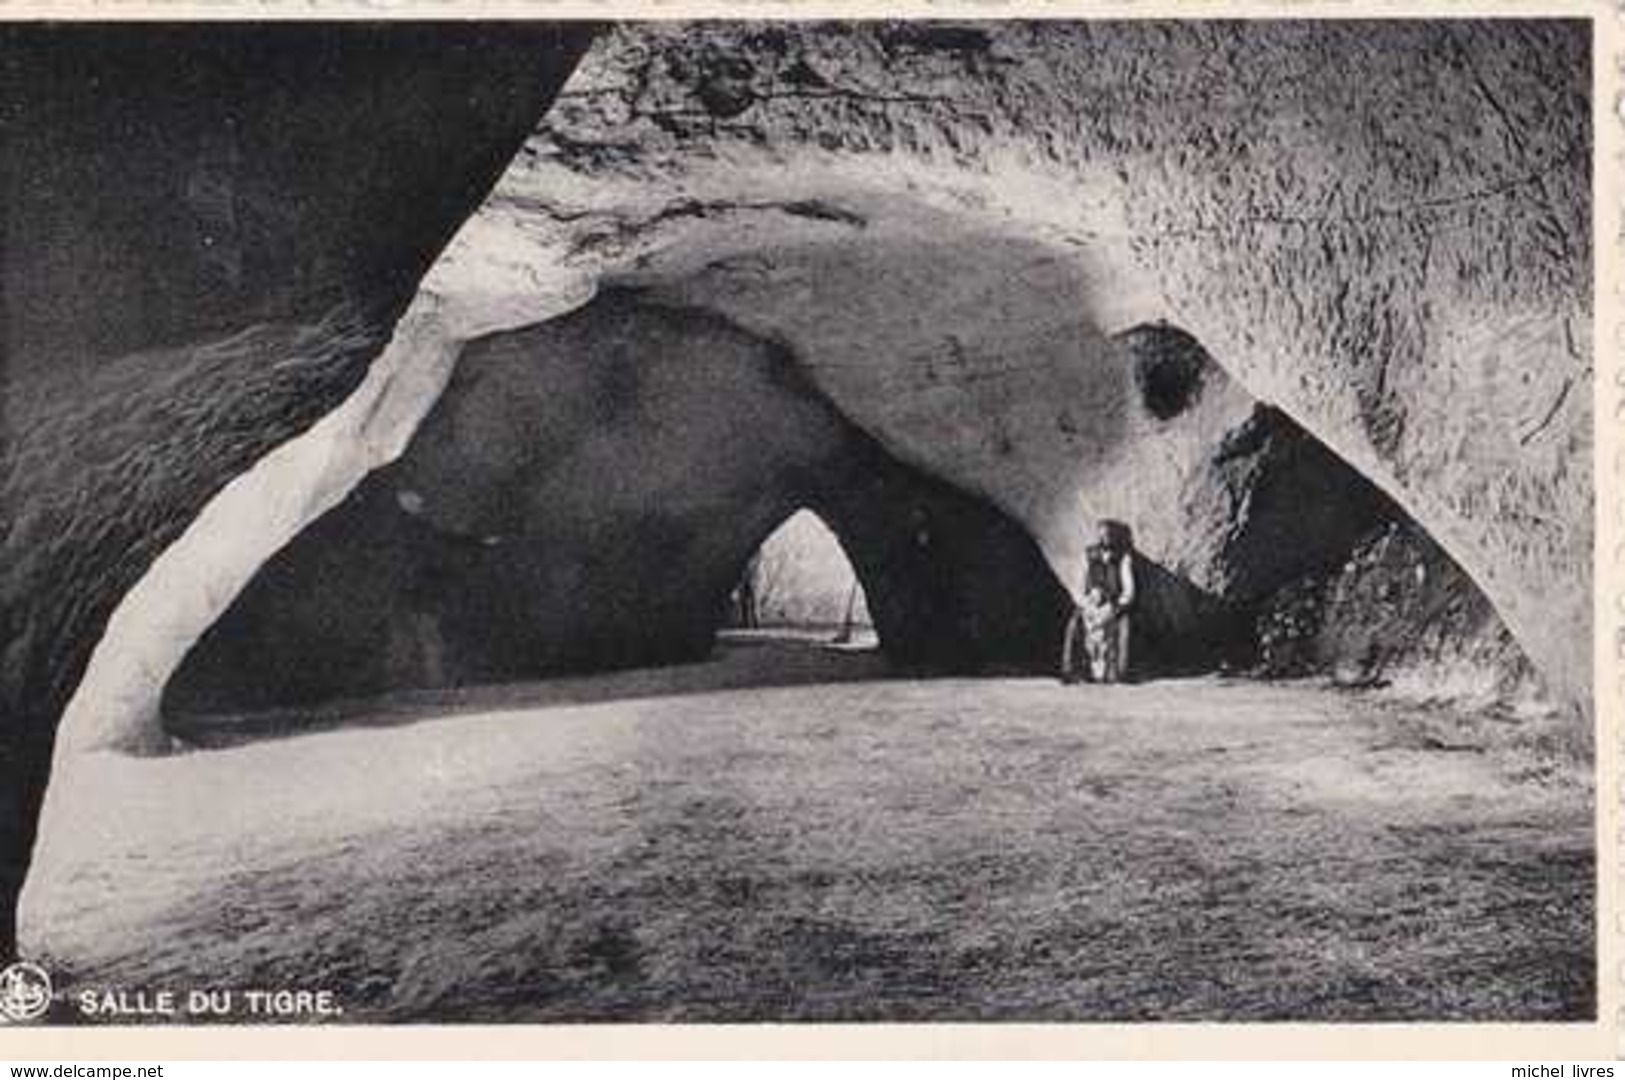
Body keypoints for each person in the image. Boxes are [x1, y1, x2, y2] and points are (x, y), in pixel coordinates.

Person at [1060, 519, 1137, 683]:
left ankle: (1117, 672)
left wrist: (1113, 608)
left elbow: (1129, 591)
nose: (1105, 538)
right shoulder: (1087, 555)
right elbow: (1078, 585)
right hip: (1090, 605)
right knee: (1074, 623)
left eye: (1109, 534)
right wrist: (1087, 606)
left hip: (1113, 606)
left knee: (1124, 624)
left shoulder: (1124, 558)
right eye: (1101, 534)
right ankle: (1071, 671)